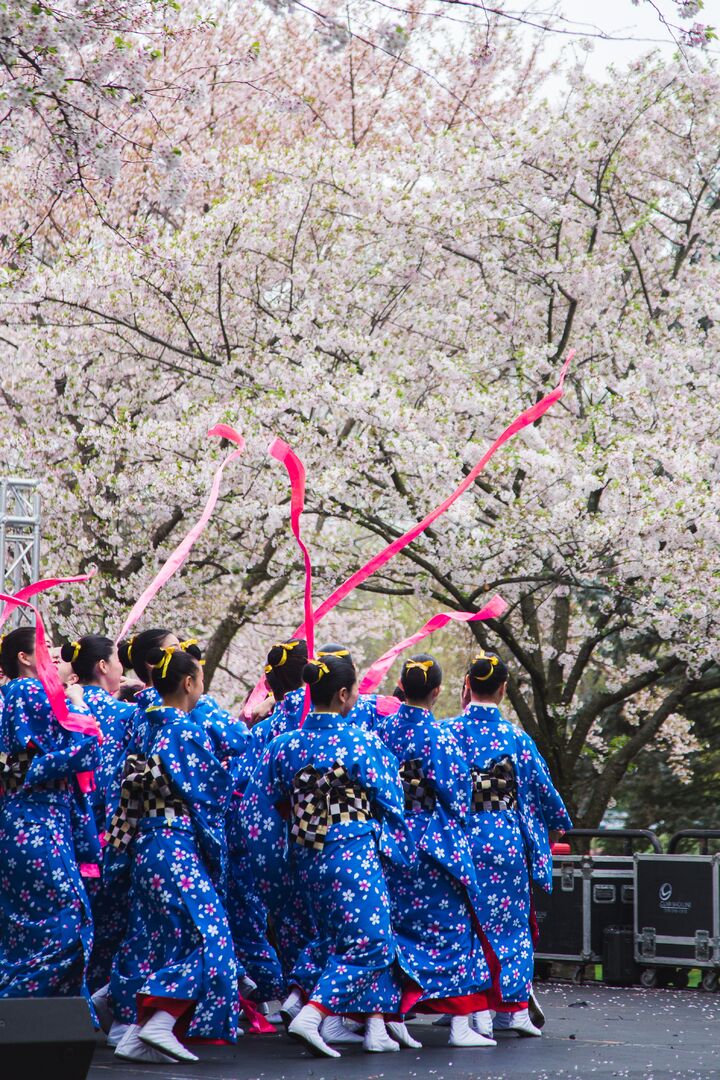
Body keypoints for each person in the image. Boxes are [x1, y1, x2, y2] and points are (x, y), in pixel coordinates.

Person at [242, 652, 418, 1058]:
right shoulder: (360, 740)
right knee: (372, 940)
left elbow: (259, 807)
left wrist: (283, 856)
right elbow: (392, 799)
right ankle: (314, 1010)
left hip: (306, 855)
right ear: (343, 695)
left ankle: (310, 997)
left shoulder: (283, 744)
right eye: (356, 688)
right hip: (351, 850)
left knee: (334, 936)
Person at [109, 643, 239, 1064]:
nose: (203, 688)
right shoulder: (183, 729)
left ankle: (133, 1030)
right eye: (201, 680)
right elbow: (213, 790)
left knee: (158, 940)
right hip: (172, 841)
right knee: (212, 936)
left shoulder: (141, 723)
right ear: (188, 682)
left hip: (147, 843)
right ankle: (160, 1018)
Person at [445, 650, 572, 1037]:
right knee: (512, 926)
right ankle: (512, 1009)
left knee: (465, 923)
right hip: (504, 842)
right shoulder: (515, 738)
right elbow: (541, 787)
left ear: (467, 686)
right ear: (503, 689)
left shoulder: (445, 732)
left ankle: (472, 1008)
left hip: (461, 840)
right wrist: (559, 821)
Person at [376, 654, 495, 1048]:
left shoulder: (381, 731)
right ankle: (462, 1023)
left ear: (402, 686)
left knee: (396, 928)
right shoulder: (439, 737)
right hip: (431, 846)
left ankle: (388, 1014)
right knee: (452, 931)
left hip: (391, 842)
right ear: (438, 692)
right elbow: (458, 796)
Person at [0, 626, 99, 1005]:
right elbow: (83, 747)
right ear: (25, 659)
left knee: (27, 932)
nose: (59, 663)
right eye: (48, 654)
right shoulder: (28, 690)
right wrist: (79, 706)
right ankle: (15, 1010)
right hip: (37, 821)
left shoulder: (13, 695)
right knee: (64, 925)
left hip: (26, 819)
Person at [59, 636, 136, 996]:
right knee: (113, 925)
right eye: (118, 661)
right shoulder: (125, 714)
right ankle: (108, 1004)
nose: (123, 668)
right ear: (103, 666)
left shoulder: (58, 707)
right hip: (109, 835)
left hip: (62, 830)